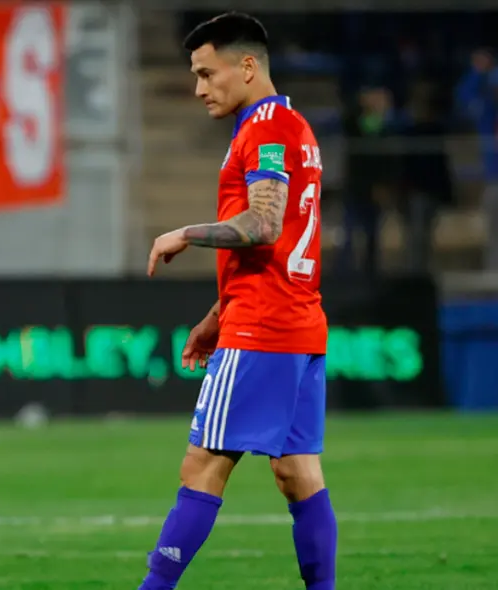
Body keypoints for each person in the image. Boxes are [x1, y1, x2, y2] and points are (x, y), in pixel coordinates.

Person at [143, 13, 336, 590]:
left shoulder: (266, 129)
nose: (200, 88)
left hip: (265, 328)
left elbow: (264, 224)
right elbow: (272, 246)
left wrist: (185, 233)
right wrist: (216, 315)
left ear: (246, 66)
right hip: (296, 322)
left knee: (202, 466)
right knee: (297, 472)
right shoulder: (289, 124)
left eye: (208, 73)